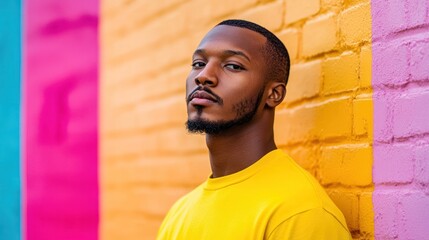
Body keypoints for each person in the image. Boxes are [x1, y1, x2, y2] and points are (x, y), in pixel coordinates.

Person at [156, 19, 351, 240]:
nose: (203, 76)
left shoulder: (299, 213)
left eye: (233, 66)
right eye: (199, 63)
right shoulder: (179, 214)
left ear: (273, 94)